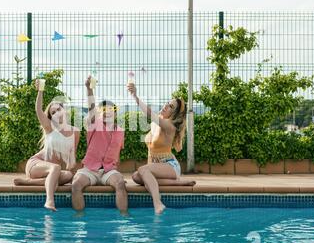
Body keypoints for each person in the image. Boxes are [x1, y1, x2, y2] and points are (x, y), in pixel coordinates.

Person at [127, 82, 195, 214]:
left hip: (169, 165)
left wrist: (135, 96)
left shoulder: (170, 127)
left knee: (142, 170)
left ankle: (157, 203)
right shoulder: (155, 123)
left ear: (174, 114)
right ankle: (178, 183)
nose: (165, 106)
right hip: (157, 165)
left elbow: (148, 113)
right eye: (167, 103)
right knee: (136, 176)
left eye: (171, 107)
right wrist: (149, 167)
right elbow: (151, 151)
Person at [13, 79, 80, 211]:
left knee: (68, 175)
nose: (56, 114)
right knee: (55, 168)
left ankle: (29, 182)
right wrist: (40, 91)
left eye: (58, 110)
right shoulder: (49, 127)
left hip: (51, 171)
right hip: (36, 164)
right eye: (52, 112)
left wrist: (74, 169)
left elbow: (72, 158)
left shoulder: (75, 132)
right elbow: (38, 110)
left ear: (64, 110)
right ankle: (49, 201)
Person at [71, 75, 128, 213]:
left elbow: (117, 155)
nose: (107, 112)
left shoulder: (120, 131)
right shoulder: (94, 124)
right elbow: (91, 107)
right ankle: (80, 218)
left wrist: (116, 173)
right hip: (90, 169)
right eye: (103, 110)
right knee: (75, 186)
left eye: (110, 110)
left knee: (120, 184)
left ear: (115, 114)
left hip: (109, 171)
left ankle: (124, 218)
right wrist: (89, 89)